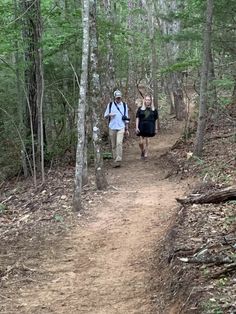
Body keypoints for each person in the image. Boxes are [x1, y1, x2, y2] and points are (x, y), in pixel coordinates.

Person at [104, 90, 129, 167]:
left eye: (119, 97)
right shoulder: (110, 105)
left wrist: (127, 129)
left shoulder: (124, 105)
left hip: (121, 126)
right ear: (115, 97)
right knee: (114, 145)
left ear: (121, 97)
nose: (118, 99)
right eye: (117, 98)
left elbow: (126, 118)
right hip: (112, 127)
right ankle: (115, 161)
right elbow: (105, 115)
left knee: (119, 143)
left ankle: (119, 158)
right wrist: (109, 114)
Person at [135, 95, 158, 160]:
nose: (147, 101)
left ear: (151, 101)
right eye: (146, 99)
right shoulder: (140, 109)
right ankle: (142, 151)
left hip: (149, 126)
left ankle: (146, 152)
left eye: (149, 100)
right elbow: (137, 118)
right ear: (144, 100)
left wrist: (156, 128)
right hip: (141, 126)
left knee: (147, 139)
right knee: (141, 142)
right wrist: (136, 127)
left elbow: (156, 119)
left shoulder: (153, 109)